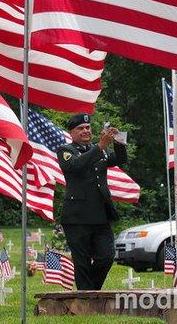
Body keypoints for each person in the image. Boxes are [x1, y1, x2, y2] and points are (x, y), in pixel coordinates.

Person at [57, 113, 127, 290]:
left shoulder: (98, 149)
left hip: (100, 214)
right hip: (77, 216)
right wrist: (100, 146)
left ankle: (89, 292)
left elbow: (119, 160)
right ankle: (86, 299)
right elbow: (75, 166)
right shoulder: (66, 150)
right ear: (71, 133)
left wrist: (118, 142)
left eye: (88, 128)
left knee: (107, 255)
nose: (85, 131)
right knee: (82, 261)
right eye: (80, 128)